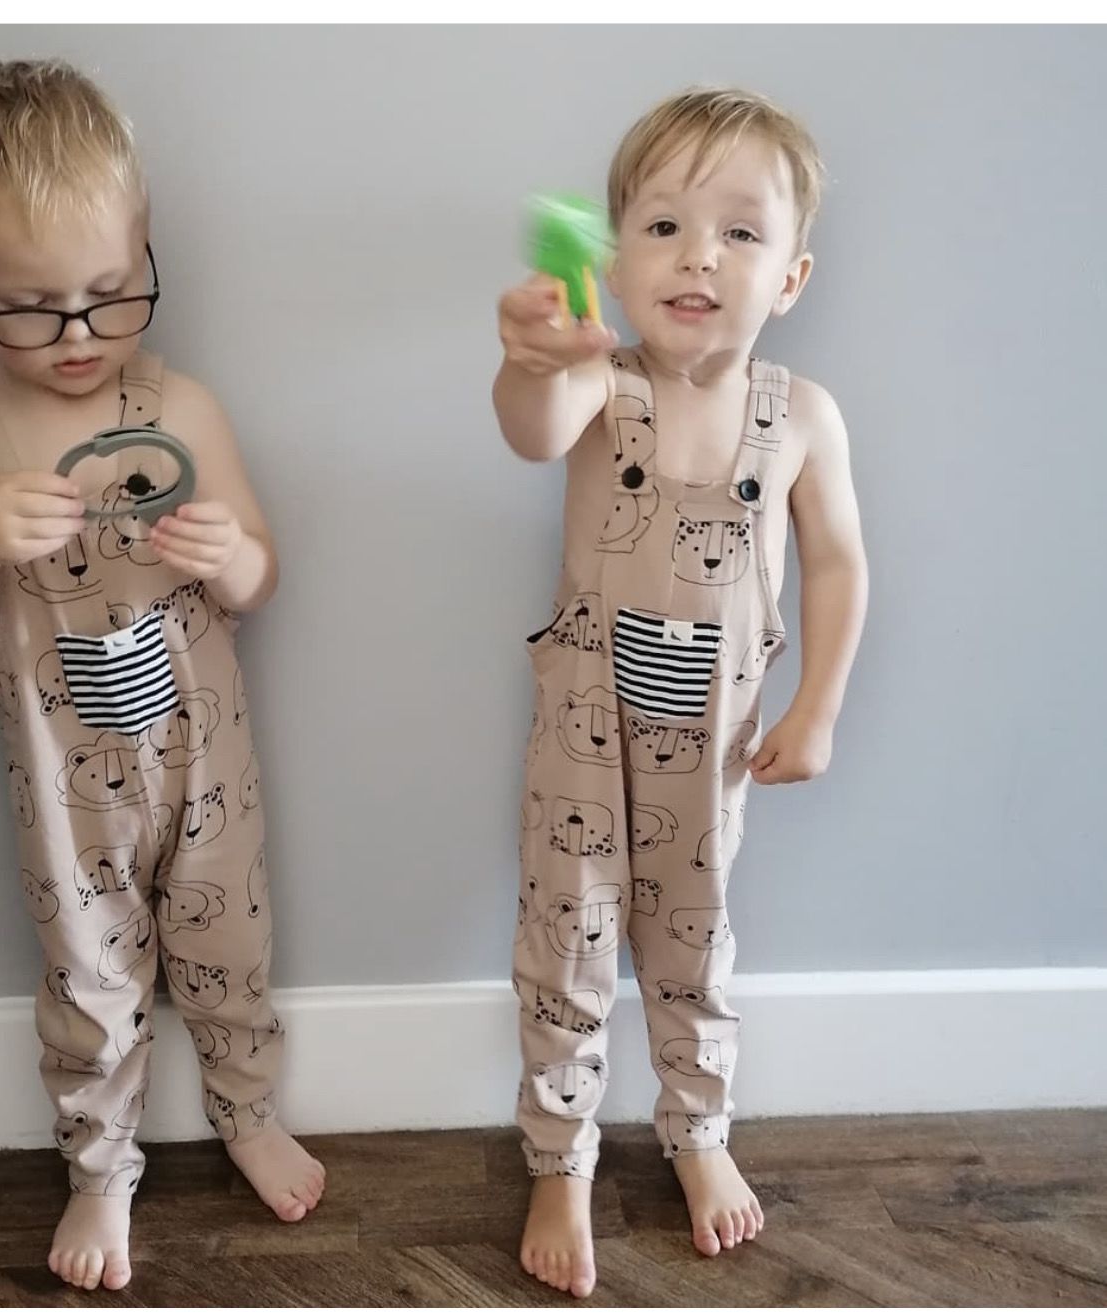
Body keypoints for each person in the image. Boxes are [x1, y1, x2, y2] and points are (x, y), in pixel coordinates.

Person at [0, 58, 325, 1292]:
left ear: (143, 247)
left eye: (111, 292)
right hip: (61, 775)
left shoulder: (177, 399)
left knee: (228, 933)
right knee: (88, 968)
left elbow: (262, 577)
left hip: (201, 752)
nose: (77, 338)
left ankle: (247, 1108)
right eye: (30, 307)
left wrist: (232, 550)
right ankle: (100, 1165)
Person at [494, 86, 868, 1297]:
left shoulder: (801, 416)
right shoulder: (606, 384)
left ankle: (698, 1130)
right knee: (570, 938)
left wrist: (817, 704)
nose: (699, 253)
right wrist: (534, 355)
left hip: (716, 745)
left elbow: (837, 561)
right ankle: (560, 1154)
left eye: (739, 232)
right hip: (584, 734)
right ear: (616, 260)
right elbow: (534, 428)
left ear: (792, 277)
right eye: (662, 227)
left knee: (692, 950)